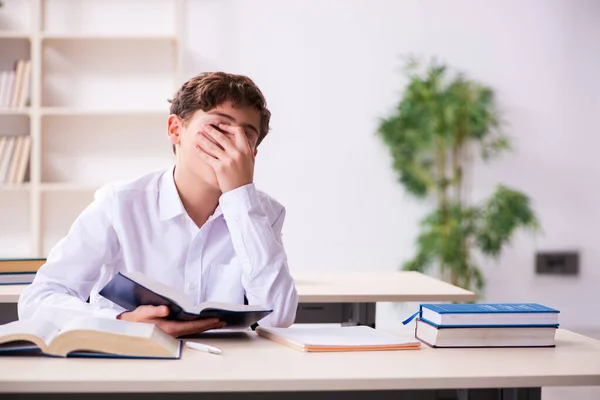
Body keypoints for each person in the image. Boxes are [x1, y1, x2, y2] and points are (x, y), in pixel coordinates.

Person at [18, 72, 298, 337]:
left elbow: (277, 319)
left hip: (224, 368)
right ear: (176, 130)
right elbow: (38, 299)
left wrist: (240, 194)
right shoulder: (120, 204)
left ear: (253, 154)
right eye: (217, 128)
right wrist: (122, 322)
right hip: (131, 359)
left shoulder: (264, 214)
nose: (230, 147)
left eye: (245, 137)